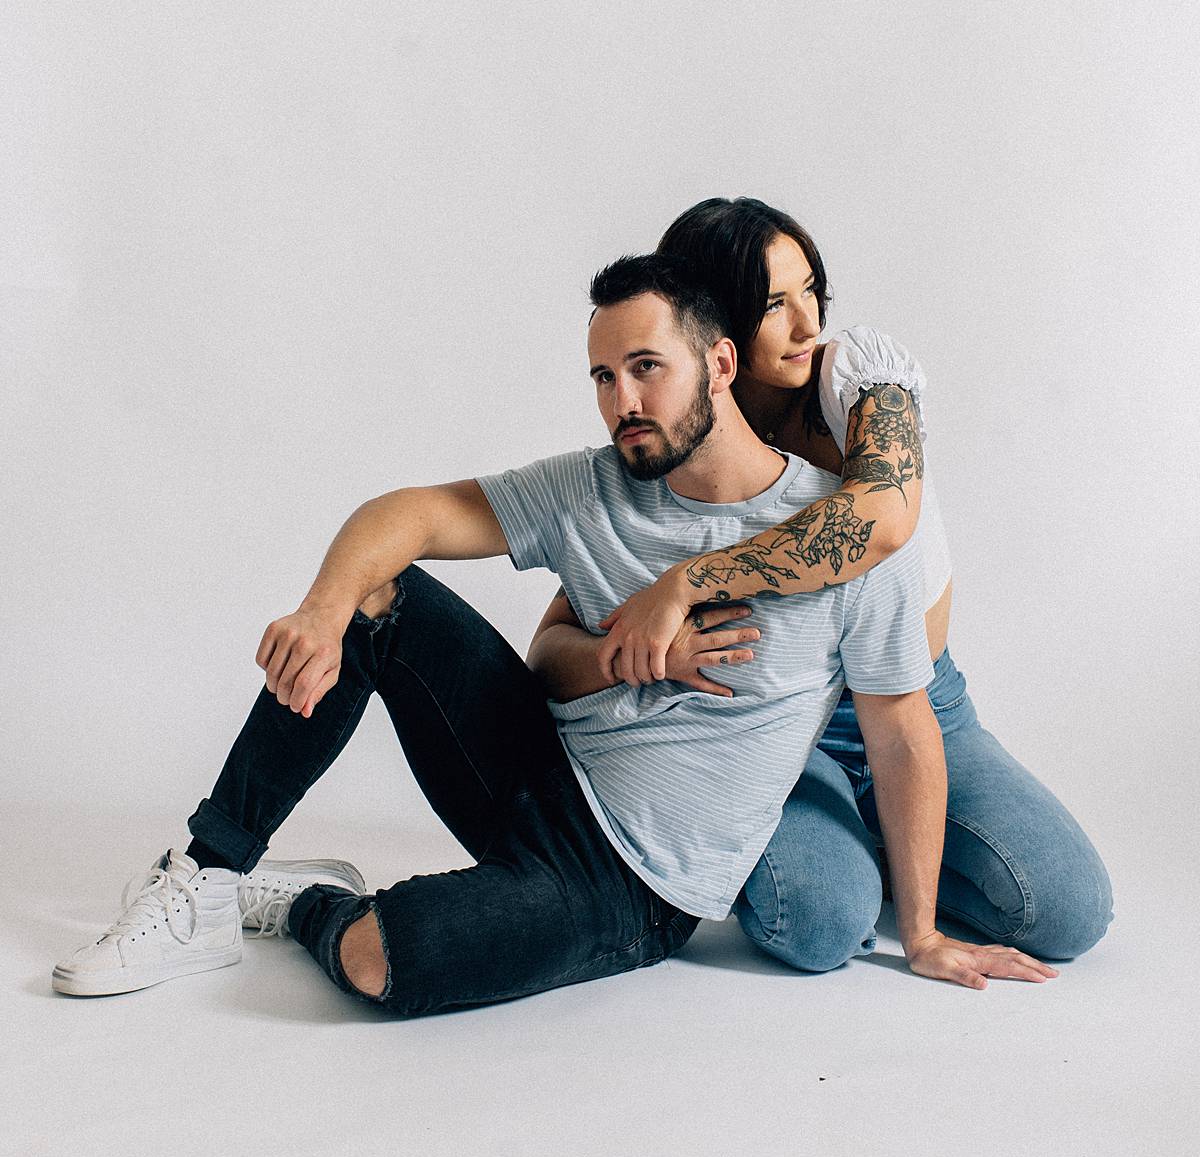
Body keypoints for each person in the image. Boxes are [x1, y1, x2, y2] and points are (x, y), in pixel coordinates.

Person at [52, 254, 1057, 1013]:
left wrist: (921, 931)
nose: (623, 401)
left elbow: (899, 731)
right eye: (604, 375)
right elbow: (409, 512)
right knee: (376, 592)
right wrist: (322, 604)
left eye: (647, 369)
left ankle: (305, 904)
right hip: (535, 770)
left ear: (717, 362)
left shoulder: (832, 539)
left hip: (629, 886)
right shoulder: (596, 486)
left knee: (375, 961)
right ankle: (209, 876)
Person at [529, 199, 1113, 972]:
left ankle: (890, 835)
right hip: (771, 719)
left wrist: (692, 579)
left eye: (811, 291)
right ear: (712, 324)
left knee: (1067, 910)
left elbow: (881, 516)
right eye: (774, 304)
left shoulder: (857, 378)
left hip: (917, 700)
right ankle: (856, 849)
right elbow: (563, 639)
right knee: (814, 926)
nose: (808, 324)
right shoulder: (676, 443)